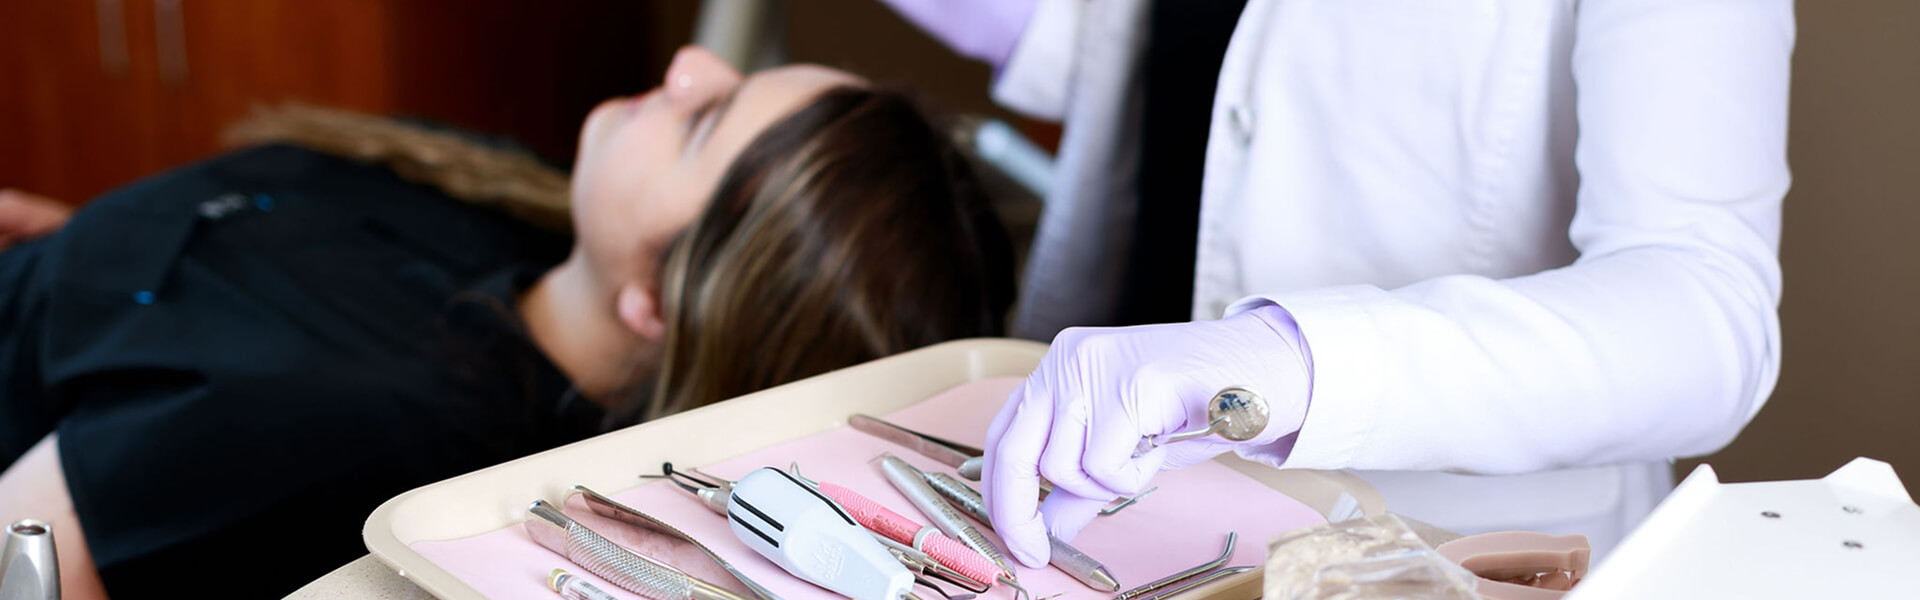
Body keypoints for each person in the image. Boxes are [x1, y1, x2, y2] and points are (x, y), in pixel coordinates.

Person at [0, 46, 1016, 598]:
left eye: (705, 119)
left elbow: (23, 558)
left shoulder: (349, 420)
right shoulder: (513, 196)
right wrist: (88, 255)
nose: (688, 66)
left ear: (660, 303)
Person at [879, 0, 1793, 565]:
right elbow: (1199, 55)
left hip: (1435, 548)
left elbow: (1706, 314)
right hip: (1114, 480)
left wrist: (1280, 362)